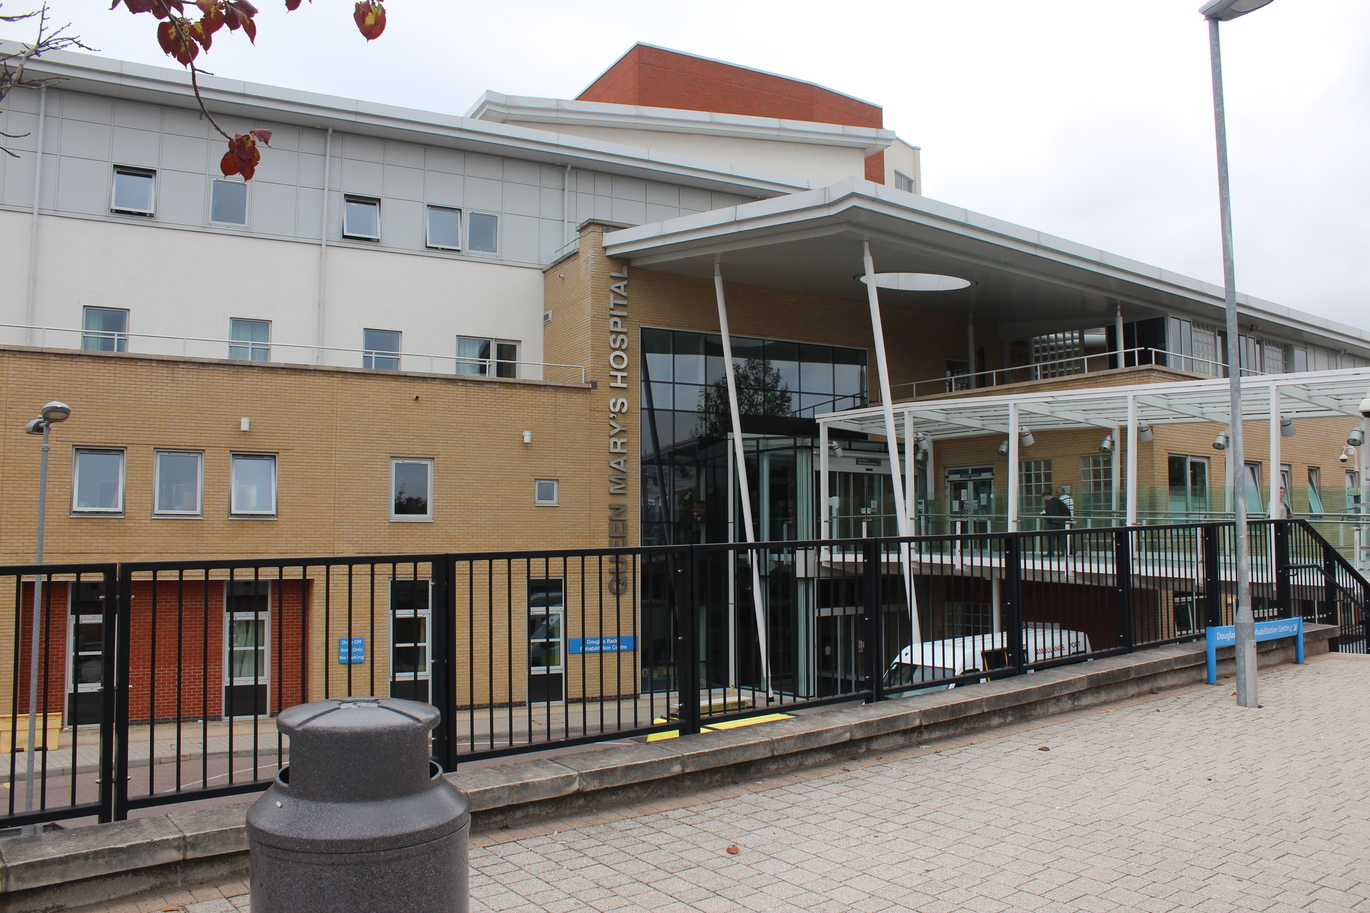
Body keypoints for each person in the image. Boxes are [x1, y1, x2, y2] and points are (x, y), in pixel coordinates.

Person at [1042, 489, 1072, 556]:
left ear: (1046, 496)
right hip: (1061, 522)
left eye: (1044, 497)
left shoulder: (1050, 503)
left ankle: (1050, 552)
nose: (1044, 498)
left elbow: (1050, 514)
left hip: (1052, 523)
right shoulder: (1058, 501)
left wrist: (1044, 515)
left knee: (1051, 539)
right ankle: (1066, 552)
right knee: (1062, 539)